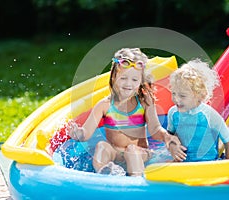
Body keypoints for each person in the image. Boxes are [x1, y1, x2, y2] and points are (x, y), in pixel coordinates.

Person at [67, 48, 181, 176]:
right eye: (123, 78)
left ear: (140, 82)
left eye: (134, 80)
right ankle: (105, 172)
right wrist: (78, 133)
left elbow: (155, 129)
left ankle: (136, 180)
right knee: (101, 146)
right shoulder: (104, 105)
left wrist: (168, 138)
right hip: (115, 153)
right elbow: (86, 133)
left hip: (140, 153)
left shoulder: (144, 102)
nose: (128, 84)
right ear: (113, 77)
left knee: (131, 150)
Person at [167, 58, 229, 162]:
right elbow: (169, 135)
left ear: (201, 95)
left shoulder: (210, 116)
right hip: (182, 164)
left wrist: (228, 165)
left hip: (207, 165)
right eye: (174, 93)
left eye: (182, 95)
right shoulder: (173, 113)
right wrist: (172, 146)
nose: (176, 99)